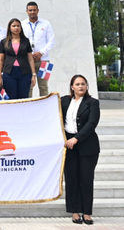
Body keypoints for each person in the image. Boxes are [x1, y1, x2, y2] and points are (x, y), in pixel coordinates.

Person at [61, 74, 100, 225]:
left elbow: (91, 124)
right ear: (72, 87)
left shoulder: (93, 103)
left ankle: (87, 213)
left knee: (86, 179)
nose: (81, 86)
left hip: (87, 146)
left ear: (87, 86)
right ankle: (75, 212)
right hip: (68, 146)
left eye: (83, 84)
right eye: (77, 84)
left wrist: (76, 139)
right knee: (71, 179)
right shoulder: (64, 101)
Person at [21, 1, 55, 97]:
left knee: (43, 86)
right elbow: (20, 41)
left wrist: (41, 53)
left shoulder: (46, 24)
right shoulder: (22, 24)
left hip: (44, 60)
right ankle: (28, 108)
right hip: (27, 60)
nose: (32, 12)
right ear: (27, 11)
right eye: (30, 10)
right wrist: (28, 53)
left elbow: (51, 41)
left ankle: (44, 109)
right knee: (28, 86)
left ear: (38, 11)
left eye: (34, 10)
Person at [0, 18, 36, 99]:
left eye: (18, 26)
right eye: (14, 26)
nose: (16, 28)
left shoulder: (26, 41)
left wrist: (33, 74)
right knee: (11, 97)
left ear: (21, 28)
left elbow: (30, 59)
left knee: (23, 97)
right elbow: (0, 60)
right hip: (9, 72)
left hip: (24, 72)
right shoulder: (4, 42)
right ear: (9, 28)